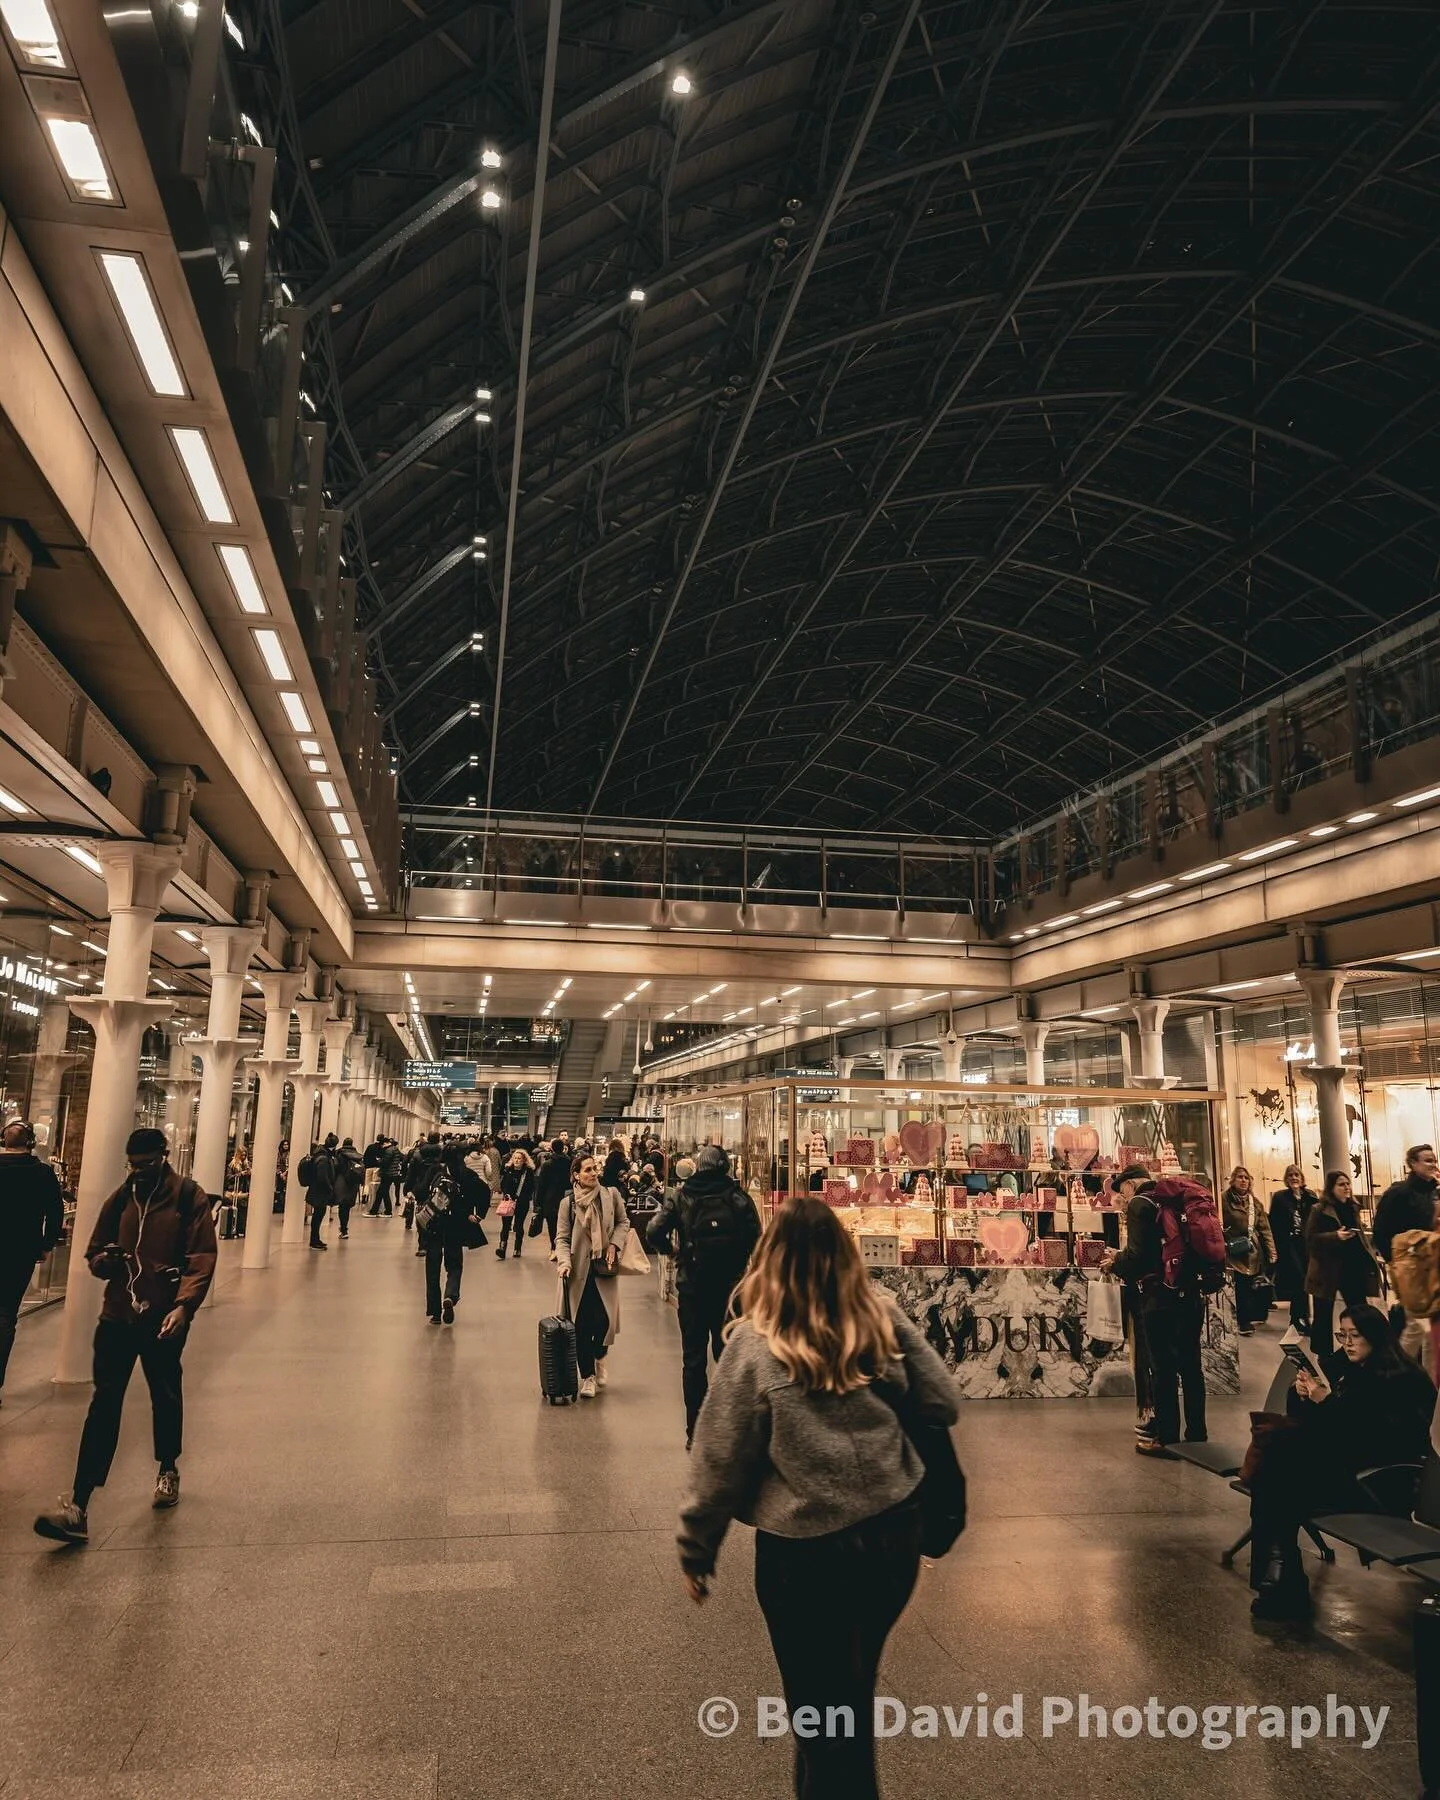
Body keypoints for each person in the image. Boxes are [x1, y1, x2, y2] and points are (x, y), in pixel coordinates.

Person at [677, 1197, 958, 1800]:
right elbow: (942, 1401)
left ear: (768, 1258)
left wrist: (697, 1551)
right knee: (846, 1694)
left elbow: (718, 1460)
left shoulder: (755, 1343)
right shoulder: (879, 1314)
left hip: (804, 1555)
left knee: (822, 1713)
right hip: (894, 1534)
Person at [34, 1129, 217, 1544]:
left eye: (147, 1164)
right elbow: (94, 1249)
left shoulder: (188, 1197)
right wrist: (104, 1261)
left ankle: (168, 1467)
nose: (138, 1172)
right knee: (104, 1404)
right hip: (117, 1315)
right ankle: (79, 1503)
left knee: (165, 1392)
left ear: (164, 1158)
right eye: (133, 1165)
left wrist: (184, 1305)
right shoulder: (121, 1198)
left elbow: (202, 1256)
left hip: (163, 1317)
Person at [1247, 1303, 1436, 1619]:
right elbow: (1324, 1427)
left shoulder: (1402, 1379)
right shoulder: (1354, 1369)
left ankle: (1282, 1578)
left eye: (1355, 1335)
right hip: (1347, 1470)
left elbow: (1376, 1440)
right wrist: (1303, 1396)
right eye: (1342, 1334)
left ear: (1375, 1337)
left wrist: (1328, 1402)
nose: (1347, 1343)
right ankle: (1281, 1575)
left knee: (1276, 1479)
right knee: (1277, 1474)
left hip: (1380, 1481)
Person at [646, 1145, 761, 1445]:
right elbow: (758, 1240)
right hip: (730, 1292)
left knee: (693, 1361)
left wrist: (675, 1253)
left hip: (693, 1288)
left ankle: (694, 1431)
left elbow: (654, 1231)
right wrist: (742, 1264)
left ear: (698, 1166)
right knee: (728, 1359)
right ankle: (729, 1428)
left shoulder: (682, 1196)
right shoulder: (739, 1198)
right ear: (725, 1167)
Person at [1102, 1174, 1208, 1451]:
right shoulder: (1176, 1201)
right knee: (1191, 1366)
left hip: (1159, 1298)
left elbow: (1139, 1256)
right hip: (1191, 1295)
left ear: (1129, 1185)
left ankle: (1167, 1438)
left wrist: (1115, 1262)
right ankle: (1197, 1433)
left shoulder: (1140, 1203)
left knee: (1163, 1369)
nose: (1122, 1197)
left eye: (1121, 1191)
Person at [0, 1119, 65, 1405]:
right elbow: (55, 1211)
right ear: (30, 1143)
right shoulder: (42, 1174)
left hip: (20, 1250)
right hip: (20, 1252)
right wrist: (46, 1244)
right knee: (4, 1315)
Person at [556, 1153, 631, 1397]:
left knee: (604, 1320)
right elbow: (563, 1238)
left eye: (594, 1168)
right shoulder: (568, 1204)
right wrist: (564, 1262)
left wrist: (614, 1245)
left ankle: (600, 1355)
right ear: (576, 1175)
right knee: (580, 1325)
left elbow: (623, 1222)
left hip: (603, 1269)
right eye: (587, 1170)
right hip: (578, 1272)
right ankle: (587, 1376)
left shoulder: (611, 1196)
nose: (593, 1173)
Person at [1374, 1143, 1440, 1376]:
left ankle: (1428, 1383)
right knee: (1417, 1326)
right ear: (1412, 1164)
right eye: (1427, 1160)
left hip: (1431, 1268)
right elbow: (1381, 1231)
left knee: (1429, 1329)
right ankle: (1396, 1375)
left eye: (1434, 1160)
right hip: (1411, 1269)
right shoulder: (1398, 1193)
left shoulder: (1433, 1191)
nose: (1433, 1164)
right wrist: (1396, 1262)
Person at [1304, 1169, 1380, 1356]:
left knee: (1358, 1311)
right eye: (1341, 1184)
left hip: (1352, 1267)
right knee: (1323, 1315)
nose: (1346, 1187)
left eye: (1348, 1184)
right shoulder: (1319, 1209)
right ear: (1331, 1188)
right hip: (1327, 1270)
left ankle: (1362, 1348)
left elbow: (1361, 1237)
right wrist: (1335, 1236)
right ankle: (1323, 1355)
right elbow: (1311, 1239)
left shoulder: (1353, 1207)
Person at [420, 1155, 488, 1325]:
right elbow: (485, 1191)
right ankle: (450, 1295)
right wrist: (478, 1215)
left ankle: (435, 1313)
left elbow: (421, 1190)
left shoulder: (436, 1172)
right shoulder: (468, 1174)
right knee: (454, 1264)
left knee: (432, 1268)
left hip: (435, 1225)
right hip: (456, 1225)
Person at [1221, 1166, 1275, 1336]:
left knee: (1252, 1286)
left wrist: (1272, 1251)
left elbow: (1265, 1228)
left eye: (1246, 1178)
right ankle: (1242, 1321)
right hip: (1232, 1250)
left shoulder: (1255, 1203)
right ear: (1233, 1180)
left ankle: (1250, 1317)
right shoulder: (1223, 1200)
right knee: (1240, 1286)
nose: (1244, 1180)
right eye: (1240, 1177)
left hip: (1251, 1250)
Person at [1269, 1165, 1316, 1335]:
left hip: (1307, 1246)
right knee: (1300, 1281)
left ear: (1302, 1178)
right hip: (1290, 1246)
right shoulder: (1280, 1198)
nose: (1294, 1177)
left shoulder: (1310, 1197)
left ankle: (1299, 1319)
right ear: (1286, 1179)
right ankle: (1299, 1318)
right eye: (1290, 1175)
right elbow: (1273, 1223)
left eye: (1297, 1175)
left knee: (1306, 1282)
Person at [534, 1138, 572, 1258]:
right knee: (567, 1224)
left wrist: (538, 1202)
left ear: (552, 1148)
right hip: (567, 1196)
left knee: (552, 1225)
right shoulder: (570, 1162)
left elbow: (542, 1185)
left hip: (550, 1199)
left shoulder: (547, 1164)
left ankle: (554, 1248)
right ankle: (565, 1248)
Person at [496, 1148, 536, 1258]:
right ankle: (502, 1247)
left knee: (519, 1225)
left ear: (524, 1160)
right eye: (515, 1158)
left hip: (521, 1202)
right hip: (509, 1201)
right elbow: (503, 1184)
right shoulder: (508, 1170)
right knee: (505, 1225)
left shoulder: (528, 1172)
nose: (517, 1160)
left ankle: (517, 1248)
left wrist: (523, 1197)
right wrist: (506, 1194)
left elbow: (531, 1187)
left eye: (519, 1158)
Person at [299, 1136, 337, 1250]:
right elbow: (322, 1176)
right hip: (319, 1192)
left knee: (318, 1216)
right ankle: (314, 1241)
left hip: (316, 1191)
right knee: (318, 1216)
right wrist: (330, 1188)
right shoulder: (324, 1158)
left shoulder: (319, 1154)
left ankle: (315, 1239)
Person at [334, 1137, 364, 1238]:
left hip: (342, 1182)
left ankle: (343, 1229)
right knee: (346, 1207)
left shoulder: (339, 1154)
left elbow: (336, 1167)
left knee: (342, 1207)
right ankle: (344, 1229)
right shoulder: (358, 1156)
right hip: (353, 1184)